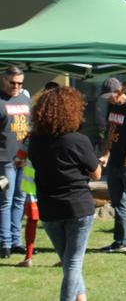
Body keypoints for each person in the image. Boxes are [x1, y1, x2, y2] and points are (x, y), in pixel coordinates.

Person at [28, 86, 101, 301]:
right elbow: (96, 174)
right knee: (72, 263)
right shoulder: (77, 140)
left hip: (49, 208)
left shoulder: (34, 141)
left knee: (69, 262)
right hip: (77, 206)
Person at [98, 77, 126, 256]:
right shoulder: (112, 105)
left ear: (120, 92)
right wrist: (106, 153)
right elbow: (111, 130)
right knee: (118, 204)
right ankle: (120, 241)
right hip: (114, 161)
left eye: (111, 96)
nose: (109, 99)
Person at [18, 81, 60, 268]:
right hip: (49, 174)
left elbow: (25, 147)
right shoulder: (62, 119)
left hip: (36, 173)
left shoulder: (39, 117)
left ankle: (29, 257)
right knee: (55, 217)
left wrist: (20, 155)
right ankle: (61, 257)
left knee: (35, 217)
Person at [0, 66, 31, 258]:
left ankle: (17, 241)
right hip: (4, 160)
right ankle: (5, 243)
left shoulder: (25, 99)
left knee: (20, 200)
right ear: (4, 80)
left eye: (20, 83)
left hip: (25, 160)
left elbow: (31, 127)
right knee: (5, 201)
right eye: (13, 82)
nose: (16, 86)